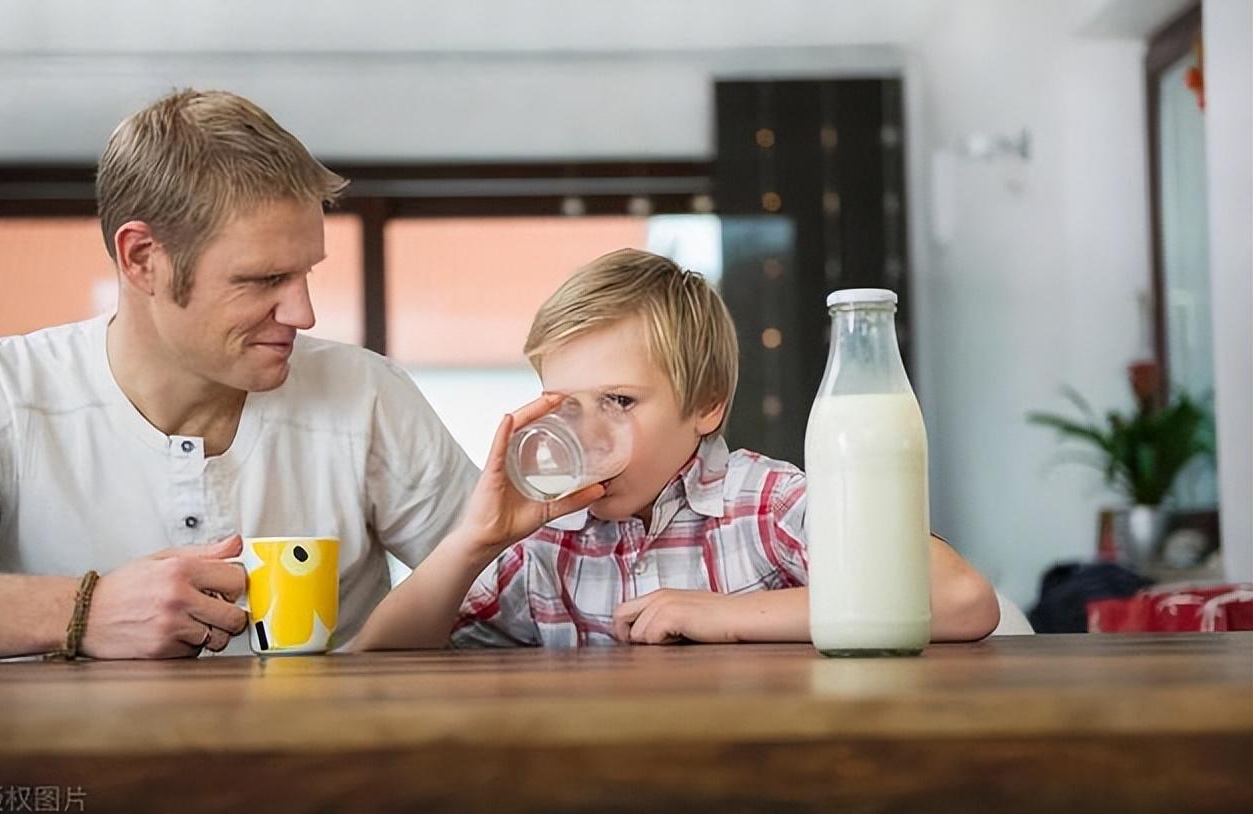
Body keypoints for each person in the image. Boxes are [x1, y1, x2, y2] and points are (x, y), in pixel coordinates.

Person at [0, 89, 477, 660]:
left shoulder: (367, 394)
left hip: (331, 748)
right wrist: (84, 610)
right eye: (263, 280)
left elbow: (515, 591)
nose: (303, 314)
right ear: (142, 259)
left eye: (305, 273)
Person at [352, 249, 1000, 649]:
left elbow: (963, 600)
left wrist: (731, 615)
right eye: (565, 406)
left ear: (706, 404)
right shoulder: (549, 544)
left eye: (621, 402)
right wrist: (474, 540)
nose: (586, 434)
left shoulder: (767, 505)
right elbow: (379, 657)